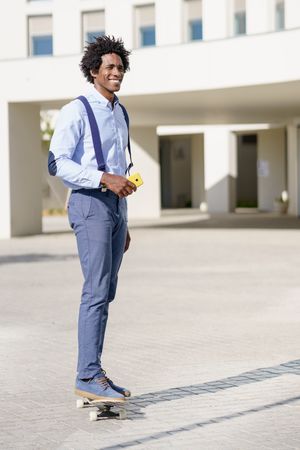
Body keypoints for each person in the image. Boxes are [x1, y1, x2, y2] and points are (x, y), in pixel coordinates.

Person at [48, 36, 137, 403]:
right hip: (89, 203)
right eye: (109, 68)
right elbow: (57, 163)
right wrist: (103, 179)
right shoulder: (77, 110)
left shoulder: (120, 111)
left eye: (120, 67)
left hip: (115, 209)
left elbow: (121, 166)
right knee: (97, 290)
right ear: (93, 71)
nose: (116, 73)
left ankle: (94, 371)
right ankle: (87, 374)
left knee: (107, 291)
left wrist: (124, 218)